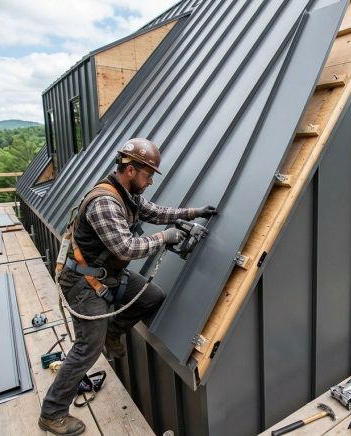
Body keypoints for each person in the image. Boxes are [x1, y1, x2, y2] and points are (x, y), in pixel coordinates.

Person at [38, 138, 218, 435]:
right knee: (87, 348)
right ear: (131, 170)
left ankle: (111, 331)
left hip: (108, 275)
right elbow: (125, 248)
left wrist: (193, 213)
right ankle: (52, 412)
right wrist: (164, 238)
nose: (150, 181)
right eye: (148, 175)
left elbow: (156, 213)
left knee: (151, 296)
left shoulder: (128, 194)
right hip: (85, 282)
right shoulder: (105, 203)